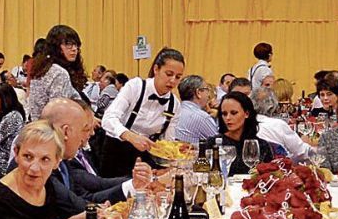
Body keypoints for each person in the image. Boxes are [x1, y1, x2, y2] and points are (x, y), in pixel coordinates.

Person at [0, 121, 86, 219]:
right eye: (28, 157)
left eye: (45, 159)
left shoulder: (48, 184)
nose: (35, 168)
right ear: (16, 153)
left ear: (57, 161)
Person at [44, 98, 150, 204]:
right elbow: (75, 205)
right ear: (66, 131)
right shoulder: (48, 168)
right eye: (84, 129)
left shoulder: (64, 163)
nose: (91, 134)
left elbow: (83, 200)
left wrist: (135, 184)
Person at [99, 48, 185, 177]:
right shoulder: (135, 87)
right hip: (116, 153)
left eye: (178, 77)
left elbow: (168, 141)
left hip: (145, 158)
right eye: (169, 74)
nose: (173, 81)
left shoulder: (174, 104)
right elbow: (108, 118)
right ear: (156, 69)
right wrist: (131, 137)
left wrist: (172, 161)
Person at [26, 25, 89, 120]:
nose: (74, 49)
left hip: (39, 127)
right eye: (68, 44)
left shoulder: (42, 68)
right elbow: (58, 113)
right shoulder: (59, 73)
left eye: (76, 45)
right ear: (56, 47)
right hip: (53, 129)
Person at [205, 91, 274, 175]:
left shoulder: (261, 146)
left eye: (234, 113)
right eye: (224, 114)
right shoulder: (213, 144)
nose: (228, 118)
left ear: (246, 113)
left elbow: (269, 176)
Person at [250, 86, 311, 160]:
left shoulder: (244, 124)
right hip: (277, 168)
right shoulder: (277, 125)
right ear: (273, 106)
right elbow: (302, 152)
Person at [174, 75, 218, 144]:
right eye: (207, 89)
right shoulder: (202, 117)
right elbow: (220, 143)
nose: (208, 95)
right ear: (198, 93)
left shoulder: (175, 110)